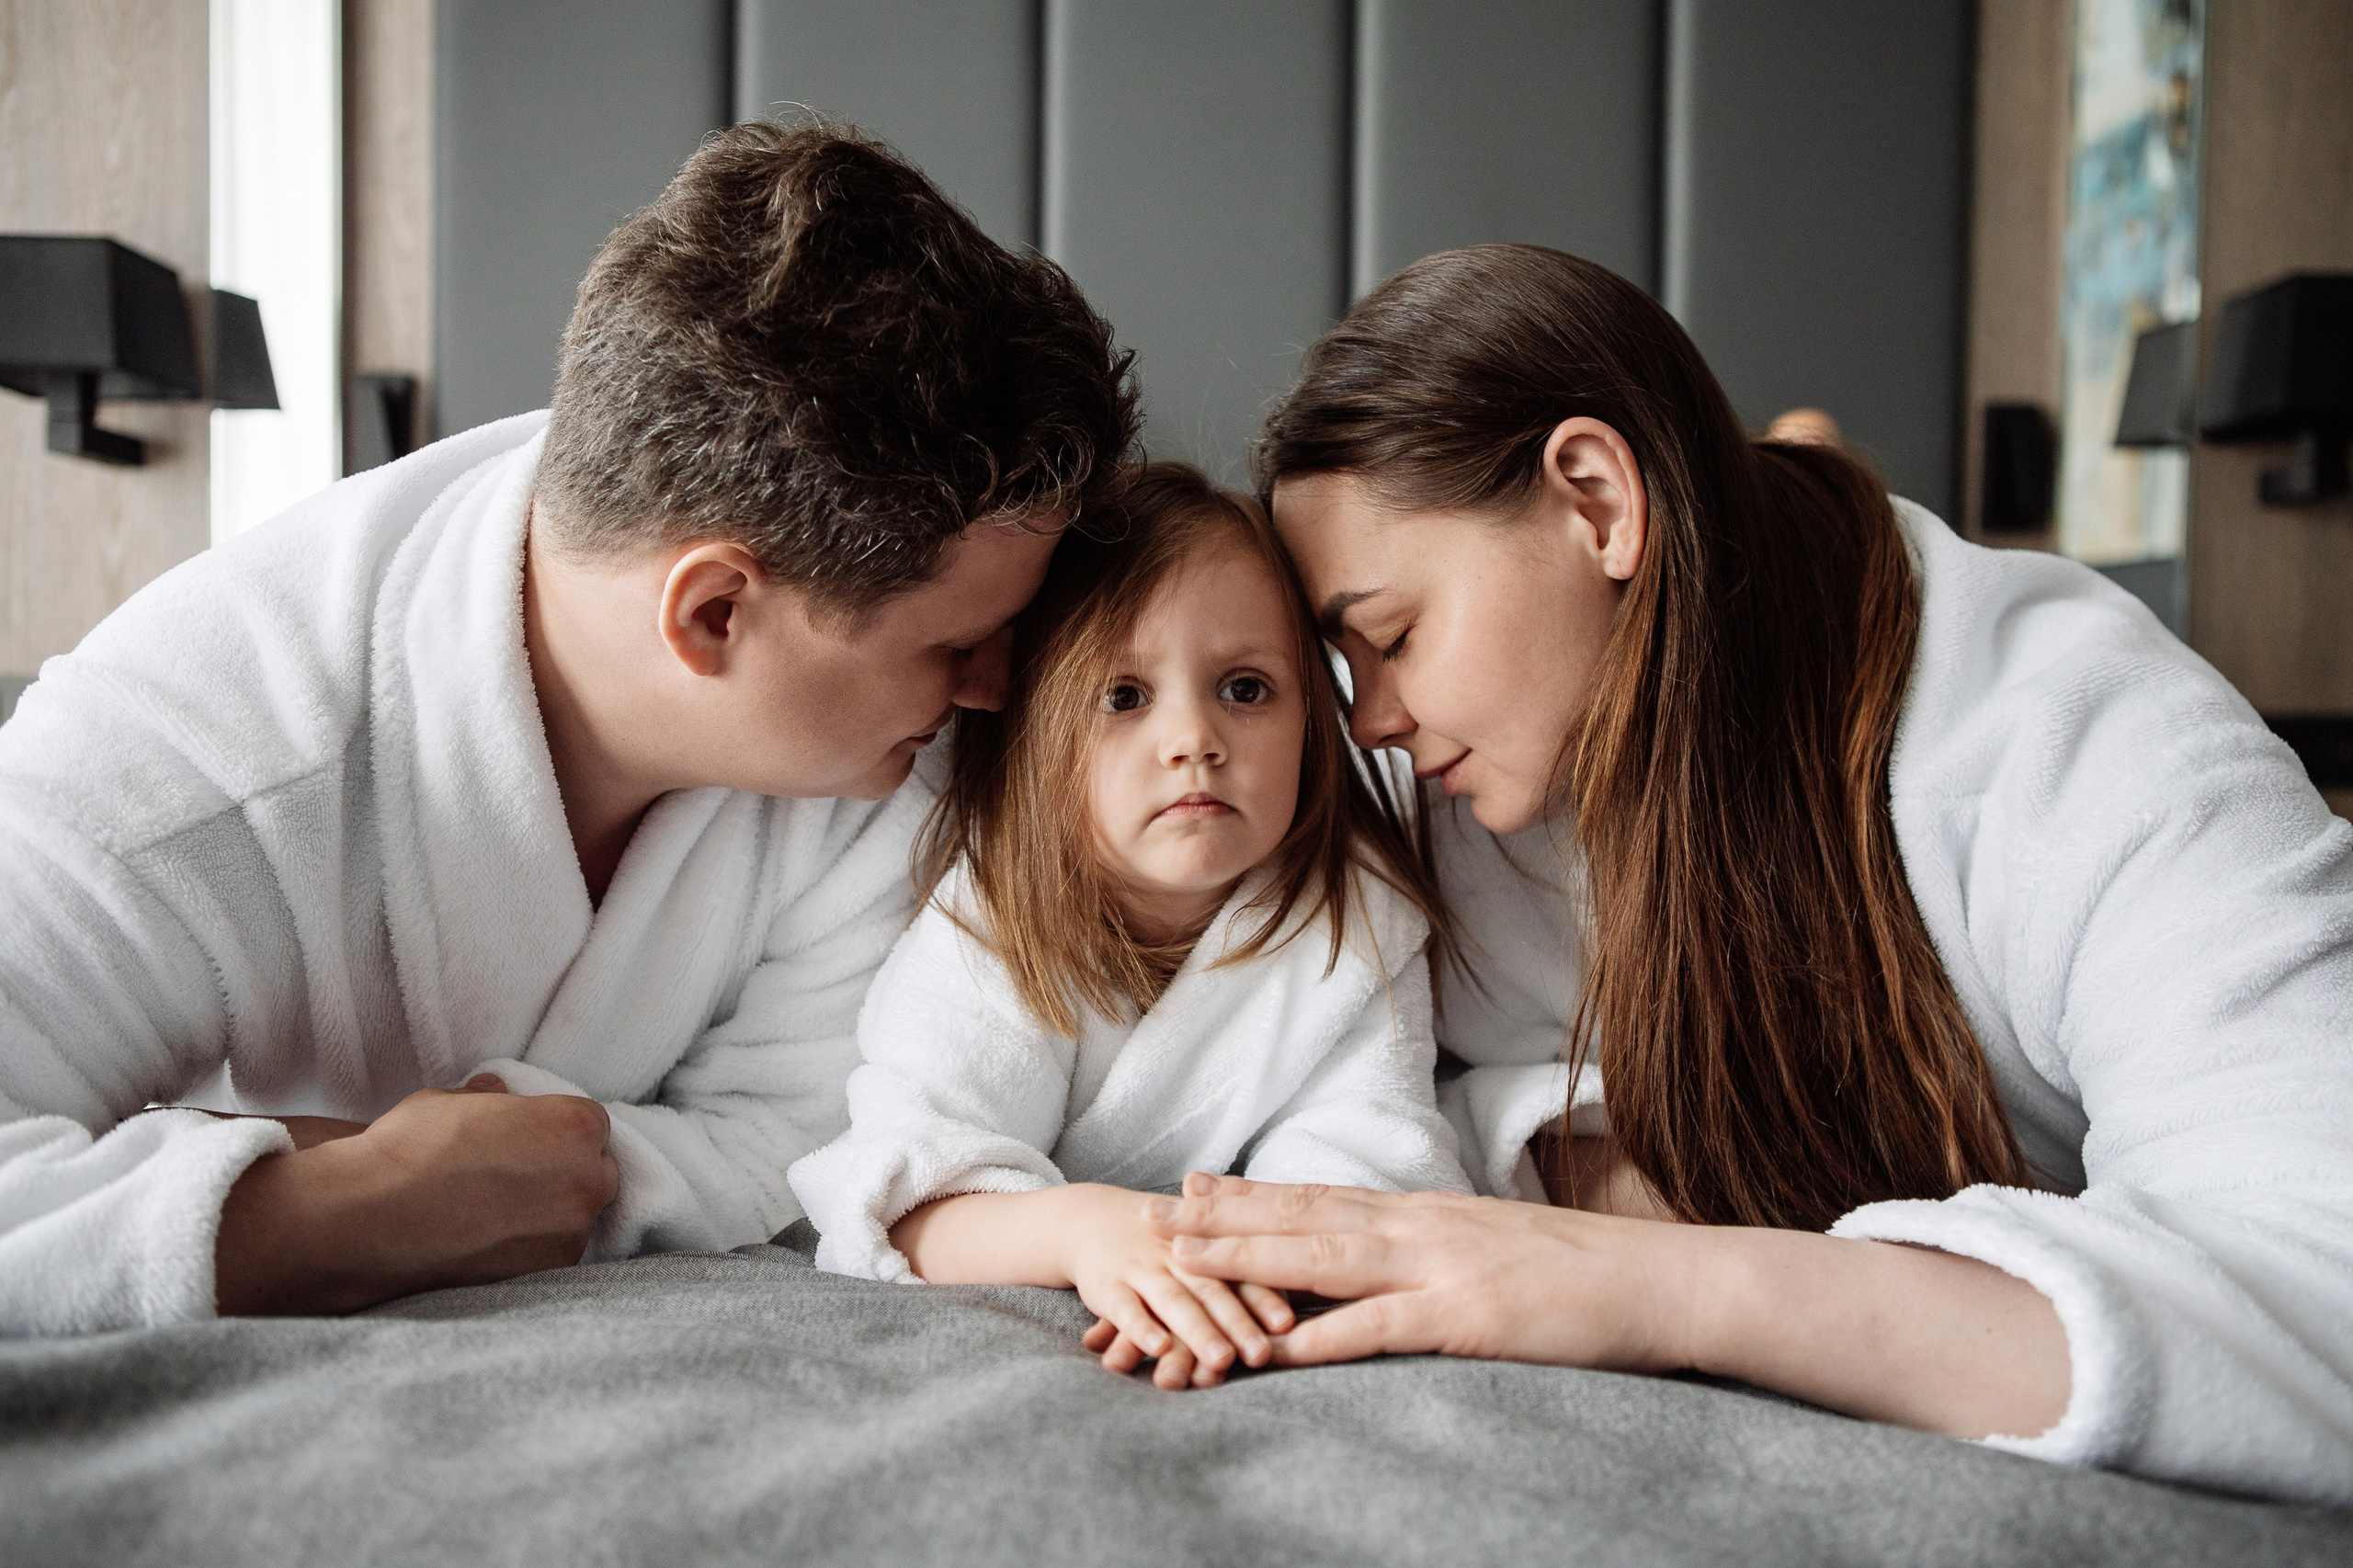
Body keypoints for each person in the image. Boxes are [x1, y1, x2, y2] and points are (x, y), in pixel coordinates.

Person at [1142, 244, 2353, 1506]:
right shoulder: (1465, 767)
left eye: (1393, 635)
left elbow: (2322, 1294)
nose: (1372, 717)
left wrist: (1653, 1279)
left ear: (1596, 503)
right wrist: (1579, 1154)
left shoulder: (2091, 752)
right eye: (1346, 665)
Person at [0, 122, 1138, 1335]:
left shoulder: (887, 763)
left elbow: (802, 1134)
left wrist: (532, 1170)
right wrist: (352, 1209)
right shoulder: (189, 753)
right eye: (953, 645)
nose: (996, 689)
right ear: (713, 613)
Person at [789, 463, 1469, 1391]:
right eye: (1124, 697)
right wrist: (1082, 1231)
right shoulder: (990, 920)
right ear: (1034, 732)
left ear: (1314, 721)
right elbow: (906, 1195)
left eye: (1245, 688)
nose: (1194, 739)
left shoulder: (1353, 917)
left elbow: (1366, 1148)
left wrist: (1250, 1272)